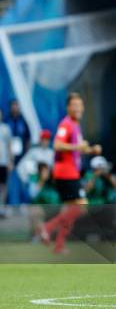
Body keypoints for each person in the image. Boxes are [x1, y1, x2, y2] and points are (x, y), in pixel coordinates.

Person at [40, 93, 102, 253]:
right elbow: (58, 145)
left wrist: (91, 149)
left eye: (79, 105)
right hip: (65, 173)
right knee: (82, 206)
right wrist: (79, 147)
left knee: (70, 212)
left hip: (71, 172)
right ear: (68, 108)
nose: (77, 108)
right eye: (74, 105)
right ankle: (47, 227)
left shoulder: (75, 125)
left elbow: (76, 149)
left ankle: (59, 245)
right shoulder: (66, 124)